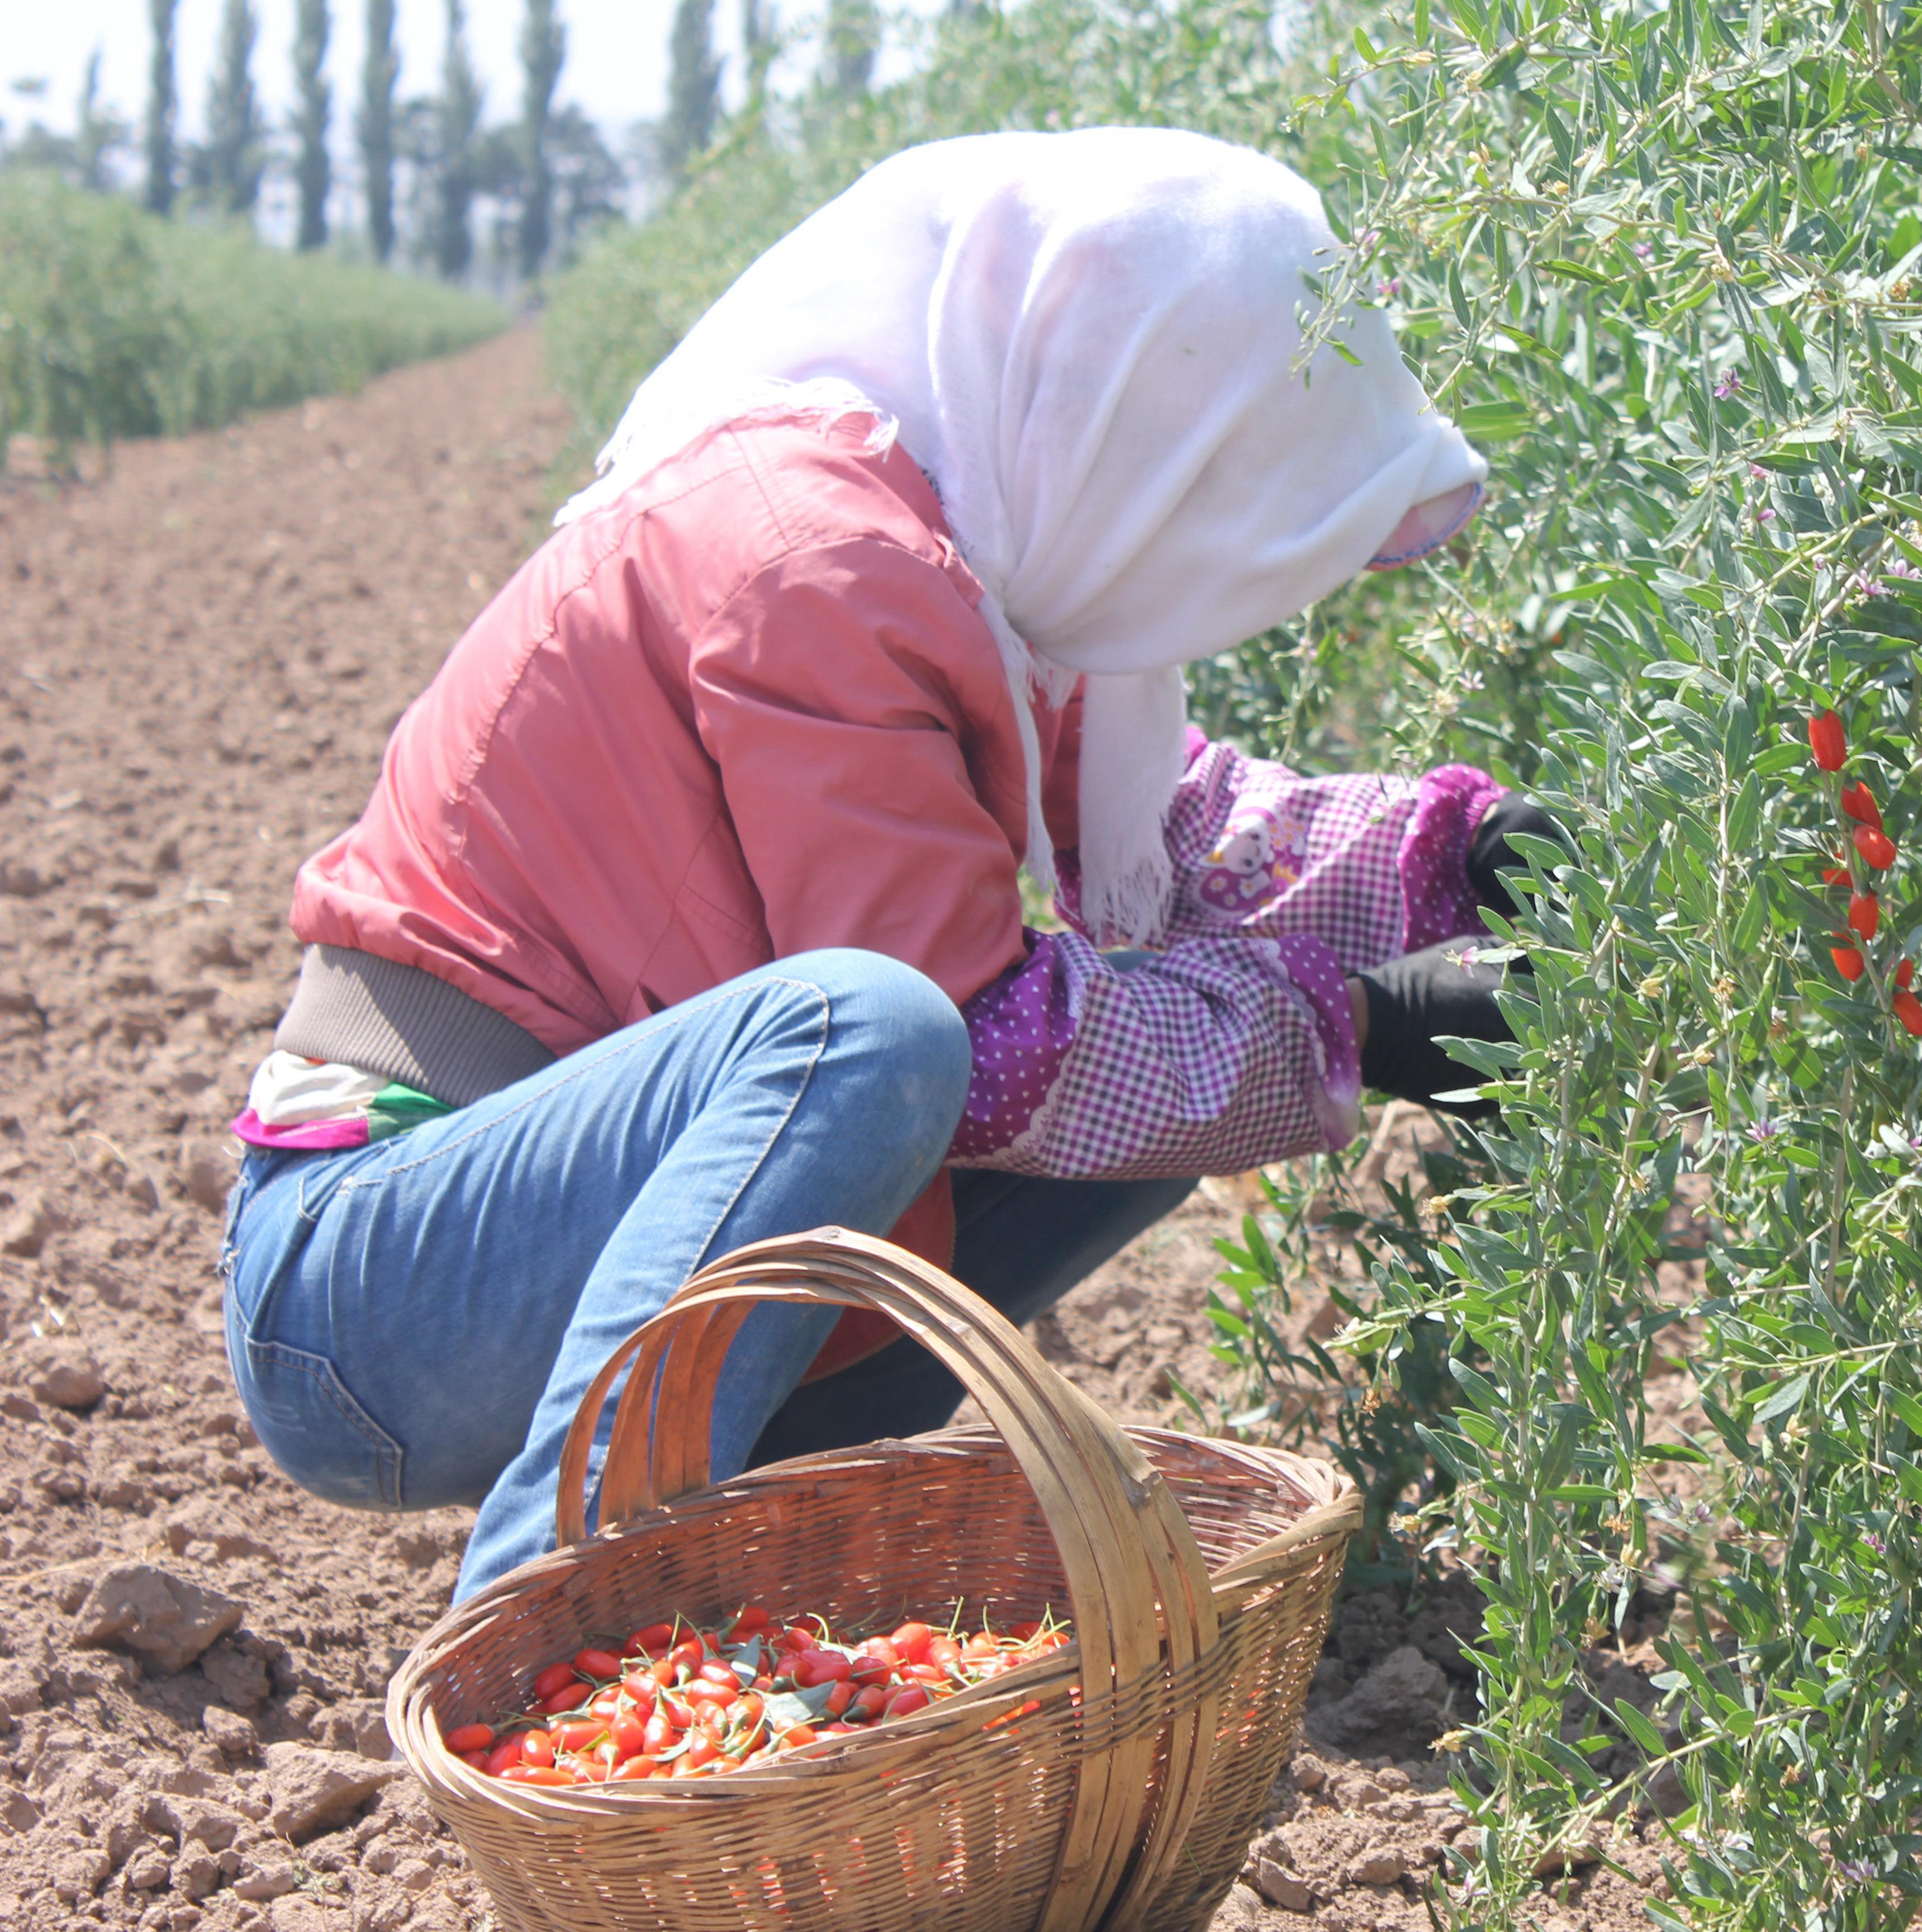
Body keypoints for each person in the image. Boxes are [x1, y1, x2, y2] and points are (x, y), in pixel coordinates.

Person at [215, 128, 1549, 1602]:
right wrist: (1359, 1030)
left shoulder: (965, 558)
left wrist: (1464, 857)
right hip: (369, 1287)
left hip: (527, 1241)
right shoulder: (810, 561)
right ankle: (553, 1626)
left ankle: (765, 1539)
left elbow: (1176, 819)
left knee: (1160, 1098)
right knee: (879, 1031)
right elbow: (983, 1042)